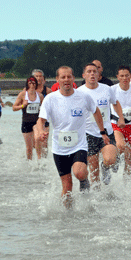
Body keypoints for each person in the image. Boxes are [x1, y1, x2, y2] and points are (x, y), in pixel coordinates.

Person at [34, 66, 108, 208]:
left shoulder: (83, 96)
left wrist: (102, 132)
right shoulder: (50, 99)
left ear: (73, 78)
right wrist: (40, 131)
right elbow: (41, 120)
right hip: (59, 148)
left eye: (69, 77)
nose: (66, 80)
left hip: (79, 145)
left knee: (79, 172)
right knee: (67, 187)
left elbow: (96, 112)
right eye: (63, 77)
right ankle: (68, 217)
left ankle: (84, 180)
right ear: (57, 80)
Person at [76, 62, 124, 188]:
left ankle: (105, 167)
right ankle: (97, 198)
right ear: (84, 75)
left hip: (106, 131)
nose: (92, 73)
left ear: (98, 74)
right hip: (88, 133)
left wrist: (121, 118)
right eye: (89, 71)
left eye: (95, 71)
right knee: (93, 171)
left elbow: (115, 103)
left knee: (110, 159)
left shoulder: (106, 89)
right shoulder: (79, 92)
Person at [12, 76, 45, 160]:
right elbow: (14, 108)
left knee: (37, 139)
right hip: (26, 122)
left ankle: (39, 160)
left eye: (33, 83)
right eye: (30, 83)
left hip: (36, 122)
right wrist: (23, 105)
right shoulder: (23, 94)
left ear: (36, 84)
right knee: (29, 147)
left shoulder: (40, 96)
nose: (32, 85)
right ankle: (29, 163)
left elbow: (45, 108)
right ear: (27, 84)